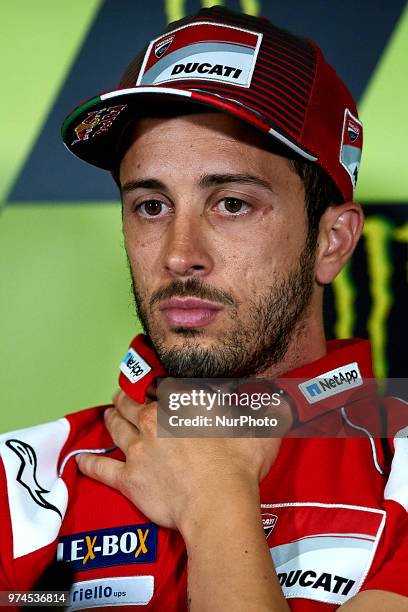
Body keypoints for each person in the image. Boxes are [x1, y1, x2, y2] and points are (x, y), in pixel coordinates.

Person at [0, 6, 407, 611]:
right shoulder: (24, 476)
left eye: (233, 204)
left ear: (333, 242)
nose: (179, 256)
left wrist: (216, 504)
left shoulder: (398, 462)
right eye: (152, 206)